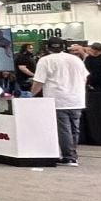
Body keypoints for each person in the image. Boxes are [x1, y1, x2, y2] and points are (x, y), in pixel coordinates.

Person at [30, 38, 87, 166]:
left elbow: (39, 81)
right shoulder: (76, 59)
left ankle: (69, 157)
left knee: (64, 130)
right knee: (74, 129)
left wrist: (30, 95)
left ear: (47, 47)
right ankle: (72, 154)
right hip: (77, 99)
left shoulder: (45, 60)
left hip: (58, 99)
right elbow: (85, 78)